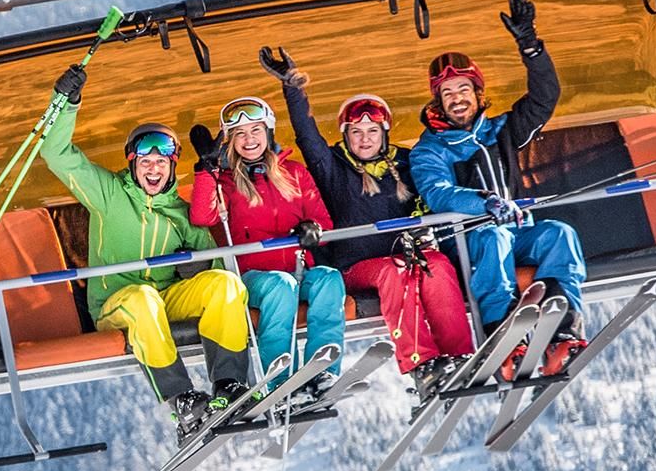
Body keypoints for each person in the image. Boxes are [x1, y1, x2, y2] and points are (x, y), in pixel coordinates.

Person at [36, 61, 255, 436]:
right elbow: (56, 154)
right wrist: (66, 102)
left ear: (171, 167)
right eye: (145, 162)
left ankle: (229, 384)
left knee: (226, 285)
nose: (153, 169)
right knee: (143, 298)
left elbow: (217, 265)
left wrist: (201, 270)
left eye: (161, 162)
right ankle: (181, 399)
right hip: (117, 304)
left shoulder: (180, 214)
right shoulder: (109, 194)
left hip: (165, 299)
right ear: (133, 164)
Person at [260, 44, 473, 376]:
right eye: (356, 132)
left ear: (384, 133)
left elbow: (432, 191)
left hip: (405, 257)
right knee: (394, 271)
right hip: (355, 267)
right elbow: (307, 135)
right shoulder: (333, 167)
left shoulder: (405, 164)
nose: (365, 139)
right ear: (345, 135)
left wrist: (424, 229)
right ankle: (421, 362)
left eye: (373, 131)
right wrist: (293, 88)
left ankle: (458, 355)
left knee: (438, 264)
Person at [406, 0, 590, 376]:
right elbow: (438, 193)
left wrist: (531, 46)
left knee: (559, 233)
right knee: (494, 237)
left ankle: (562, 332)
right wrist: (485, 202)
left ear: (477, 93)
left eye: (463, 90)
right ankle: (501, 335)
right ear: (438, 102)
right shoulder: (430, 149)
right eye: (447, 94)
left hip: (515, 230)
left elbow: (544, 99)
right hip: (466, 241)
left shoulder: (499, 131)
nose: (457, 100)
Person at [187, 93, 345, 394]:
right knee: (281, 287)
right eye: (240, 134)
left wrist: (313, 228)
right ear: (230, 141)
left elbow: (323, 221)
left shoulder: (294, 172)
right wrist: (206, 170)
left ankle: (323, 371)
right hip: (255, 278)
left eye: (256, 130)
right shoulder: (225, 182)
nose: (249, 140)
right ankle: (280, 381)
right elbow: (202, 216)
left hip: (298, 269)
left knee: (329, 279)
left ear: (268, 132)